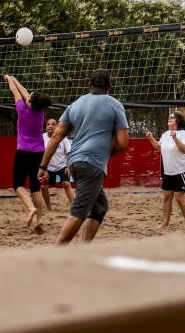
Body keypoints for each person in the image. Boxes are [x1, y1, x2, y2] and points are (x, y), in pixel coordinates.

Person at [37, 69, 129, 245]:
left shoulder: (75, 105)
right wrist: (105, 153)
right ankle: (56, 251)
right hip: (92, 164)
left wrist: (43, 167)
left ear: (89, 85)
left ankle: (84, 248)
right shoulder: (115, 105)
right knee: (79, 212)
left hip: (75, 162)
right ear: (110, 87)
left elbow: (56, 136)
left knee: (99, 208)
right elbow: (123, 143)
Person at [4, 74, 52, 231]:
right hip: (39, 152)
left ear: (29, 103)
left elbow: (16, 92)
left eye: (29, 96)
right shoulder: (40, 112)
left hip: (23, 151)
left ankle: (31, 208)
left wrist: (9, 79)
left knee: (18, 184)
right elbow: (25, 92)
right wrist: (15, 78)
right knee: (35, 187)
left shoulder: (22, 109)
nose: (27, 94)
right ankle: (39, 221)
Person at [146, 111, 185, 231]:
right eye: (169, 116)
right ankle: (165, 223)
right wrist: (151, 138)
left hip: (182, 170)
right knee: (167, 197)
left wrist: (176, 139)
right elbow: (158, 147)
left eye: (172, 117)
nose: (169, 118)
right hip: (168, 172)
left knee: (179, 198)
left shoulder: (183, 134)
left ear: (178, 121)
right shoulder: (165, 134)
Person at [41, 118, 73, 210]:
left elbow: (69, 152)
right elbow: (39, 153)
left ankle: (73, 206)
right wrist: (42, 168)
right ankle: (48, 207)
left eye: (53, 124)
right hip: (48, 167)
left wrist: (68, 166)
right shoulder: (42, 138)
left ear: (57, 126)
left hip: (62, 165)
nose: (50, 126)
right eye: (48, 124)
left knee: (66, 184)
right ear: (46, 127)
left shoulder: (62, 137)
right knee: (43, 187)